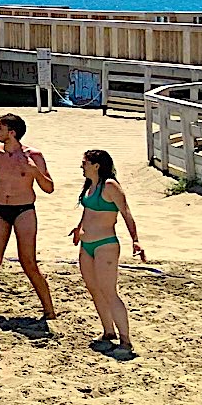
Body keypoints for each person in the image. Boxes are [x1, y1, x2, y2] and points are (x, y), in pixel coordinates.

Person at [0, 112, 57, 321]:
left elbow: (49, 188)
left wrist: (34, 172)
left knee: (28, 261)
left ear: (12, 132)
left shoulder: (33, 156)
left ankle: (49, 310)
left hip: (24, 209)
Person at [73, 149, 146, 352]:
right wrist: (78, 228)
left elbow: (126, 212)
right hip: (86, 244)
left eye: (85, 163)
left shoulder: (110, 186)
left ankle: (126, 340)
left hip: (105, 244)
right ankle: (108, 331)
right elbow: (88, 211)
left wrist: (135, 240)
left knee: (109, 292)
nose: (82, 166)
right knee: (94, 289)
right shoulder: (90, 185)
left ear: (96, 165)